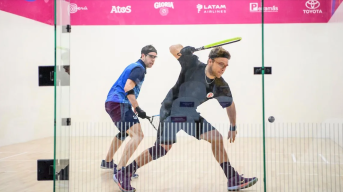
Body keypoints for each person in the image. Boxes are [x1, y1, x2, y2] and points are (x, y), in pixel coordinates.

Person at [114, 44, 258, 191]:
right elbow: (172, 48)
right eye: (220, 64)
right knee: (162, 148)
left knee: (216, 138)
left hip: (189, 113)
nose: (223, 68)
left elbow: (230, 105)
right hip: (171, 109)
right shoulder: (192, 63)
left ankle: (233, 178)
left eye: (226, 66)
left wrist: (233, 126)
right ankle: (124, 173)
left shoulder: (220, 85)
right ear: (210, 61)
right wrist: (184, 50)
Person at [101, 45, 158, 180]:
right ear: (142, 55)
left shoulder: (134, 66)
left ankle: (107, 162)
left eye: (155, 57)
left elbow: (127, 88)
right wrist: (137, 107)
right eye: (151, 56)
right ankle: (121, 170)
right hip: (118, 103)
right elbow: (128, 87)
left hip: (113, 102)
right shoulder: (139, 69)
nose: (153, 60)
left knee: (124, 132)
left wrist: (132, 105)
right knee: (138, 135)